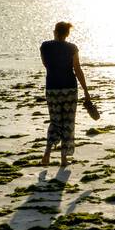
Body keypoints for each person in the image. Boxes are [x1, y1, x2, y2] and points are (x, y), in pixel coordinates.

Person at [39, 21, 91, 169]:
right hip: (69, 88)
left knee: (55, 121)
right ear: (67, 34)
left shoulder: (45, 46)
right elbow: (77, 70)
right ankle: (63, 158)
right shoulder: (72, 48)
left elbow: (46, 65)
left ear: (55, 31)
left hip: (52, 88)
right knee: (68, 122)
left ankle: (47, 153)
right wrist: (86, 92)